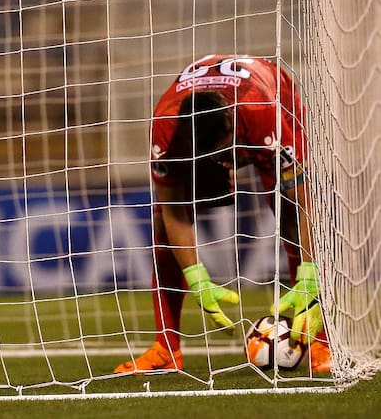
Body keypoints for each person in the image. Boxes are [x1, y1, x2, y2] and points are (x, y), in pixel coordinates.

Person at [114, 54, 331, 375]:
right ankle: (165, 349)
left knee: (288, 214)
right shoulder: (166, 128)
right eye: (213, 155)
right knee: (161, 229)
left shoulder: (261, 112)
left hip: (275, 98)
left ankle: (320, 341)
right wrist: (196, 278)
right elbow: (173, 209)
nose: (224, 161)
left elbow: (303, 199)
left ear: (231, 123)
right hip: (214, 130)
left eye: (224, 150)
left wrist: (310, 271)